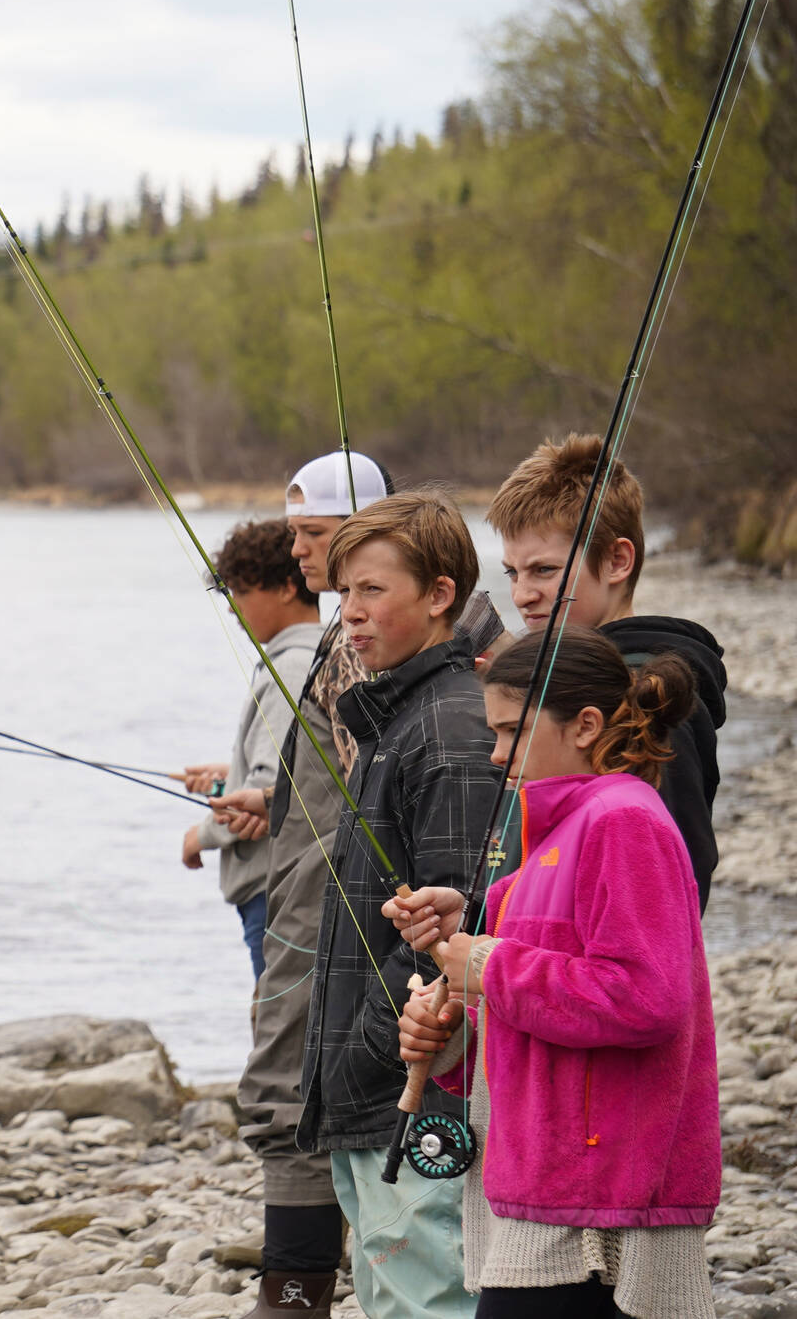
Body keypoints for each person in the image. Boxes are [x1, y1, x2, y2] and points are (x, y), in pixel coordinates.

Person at [383, 626, 718, 1319]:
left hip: (603, 1200)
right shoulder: (552, 837)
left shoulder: (623, 821)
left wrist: (485, 962)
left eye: (513, 730)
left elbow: (646, 998)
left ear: (586, 725)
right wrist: (449, 1038)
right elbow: (535, 1004)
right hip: (546, 1181)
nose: (498, 752)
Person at [299, 490, 505, 1319]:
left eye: (372, 591)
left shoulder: (451, 729)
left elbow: (450, 949)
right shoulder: (399, 715)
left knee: (431, 1302)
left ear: (441, 593)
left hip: (411, 1096)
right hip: (374, 1090)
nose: (349, 614)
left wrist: (360, 1056)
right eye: (344, 593)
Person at [215, 450, 388, 1319]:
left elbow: (375, 794)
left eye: (312, 533)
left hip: (330, 919)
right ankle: (308, 1281)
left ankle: (296, 1291)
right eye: (295, 534)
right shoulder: (332, 642)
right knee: (297, 1084)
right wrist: (265, 796)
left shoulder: (353, 652)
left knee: (297, 1088)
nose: (298, 552)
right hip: (298, 904)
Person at [487, 434, 727, 911]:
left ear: (618, 561)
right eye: (513, 573)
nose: (521, 595)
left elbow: (667, 900)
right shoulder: (558, 686)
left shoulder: (649, 699)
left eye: (545, 570)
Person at [179, 518, 323, 983]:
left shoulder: (291, 670)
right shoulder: (317, 655)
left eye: (241, 593)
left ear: (285, 587)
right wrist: (228, 777)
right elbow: (297, 774)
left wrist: (200, 835)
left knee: (275, 1032)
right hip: (287, 893)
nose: (234, 609)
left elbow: (265, 801)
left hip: (274, 895)